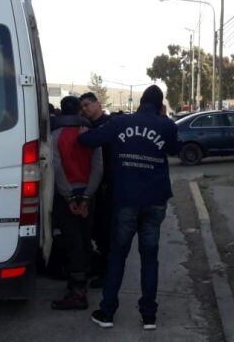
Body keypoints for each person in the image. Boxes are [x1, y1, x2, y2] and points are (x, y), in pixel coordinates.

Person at [78, 85, 177, 331]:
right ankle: (149, 316)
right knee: (150, 258)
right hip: (155, 200)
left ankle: (107, 312)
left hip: (126, 200)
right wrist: (162, 120)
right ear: (160, 105)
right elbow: (175, 149)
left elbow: (88, 140)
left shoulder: (121, 122)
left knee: (118, 257)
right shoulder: (167, 126)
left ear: (141, 101)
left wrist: (80, 129)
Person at [50, 96, 103, 310]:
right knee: (84, 238)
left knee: (72, 242)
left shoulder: (55, 135)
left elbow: (56, 167)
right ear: (79, 111)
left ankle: (77, 292)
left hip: (66, 196)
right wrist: (87, 197)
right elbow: (98, 168)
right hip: (88, 194)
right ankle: (85, 280)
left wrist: (69, 196)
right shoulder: (91, 134)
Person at [79, 92, 113, 289]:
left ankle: (108, 272)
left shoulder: (107, 124)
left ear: (97, 104)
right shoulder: (87, 126)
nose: (84, 109)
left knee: (105, 231)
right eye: (81, 106)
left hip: (107, 185)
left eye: (87, 105)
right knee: (95, 231)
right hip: (93, 186)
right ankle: (99, 266)